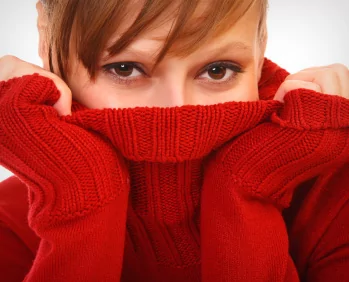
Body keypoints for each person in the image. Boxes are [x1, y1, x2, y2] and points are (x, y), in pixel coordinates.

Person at [0, 0, 348, 281]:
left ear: (260, 50)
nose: (177, 109)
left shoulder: (335, 195)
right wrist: (81, 200)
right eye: (125, 68)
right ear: (47, 42)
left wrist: (246, 188)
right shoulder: (10, 219)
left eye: (217, 70)